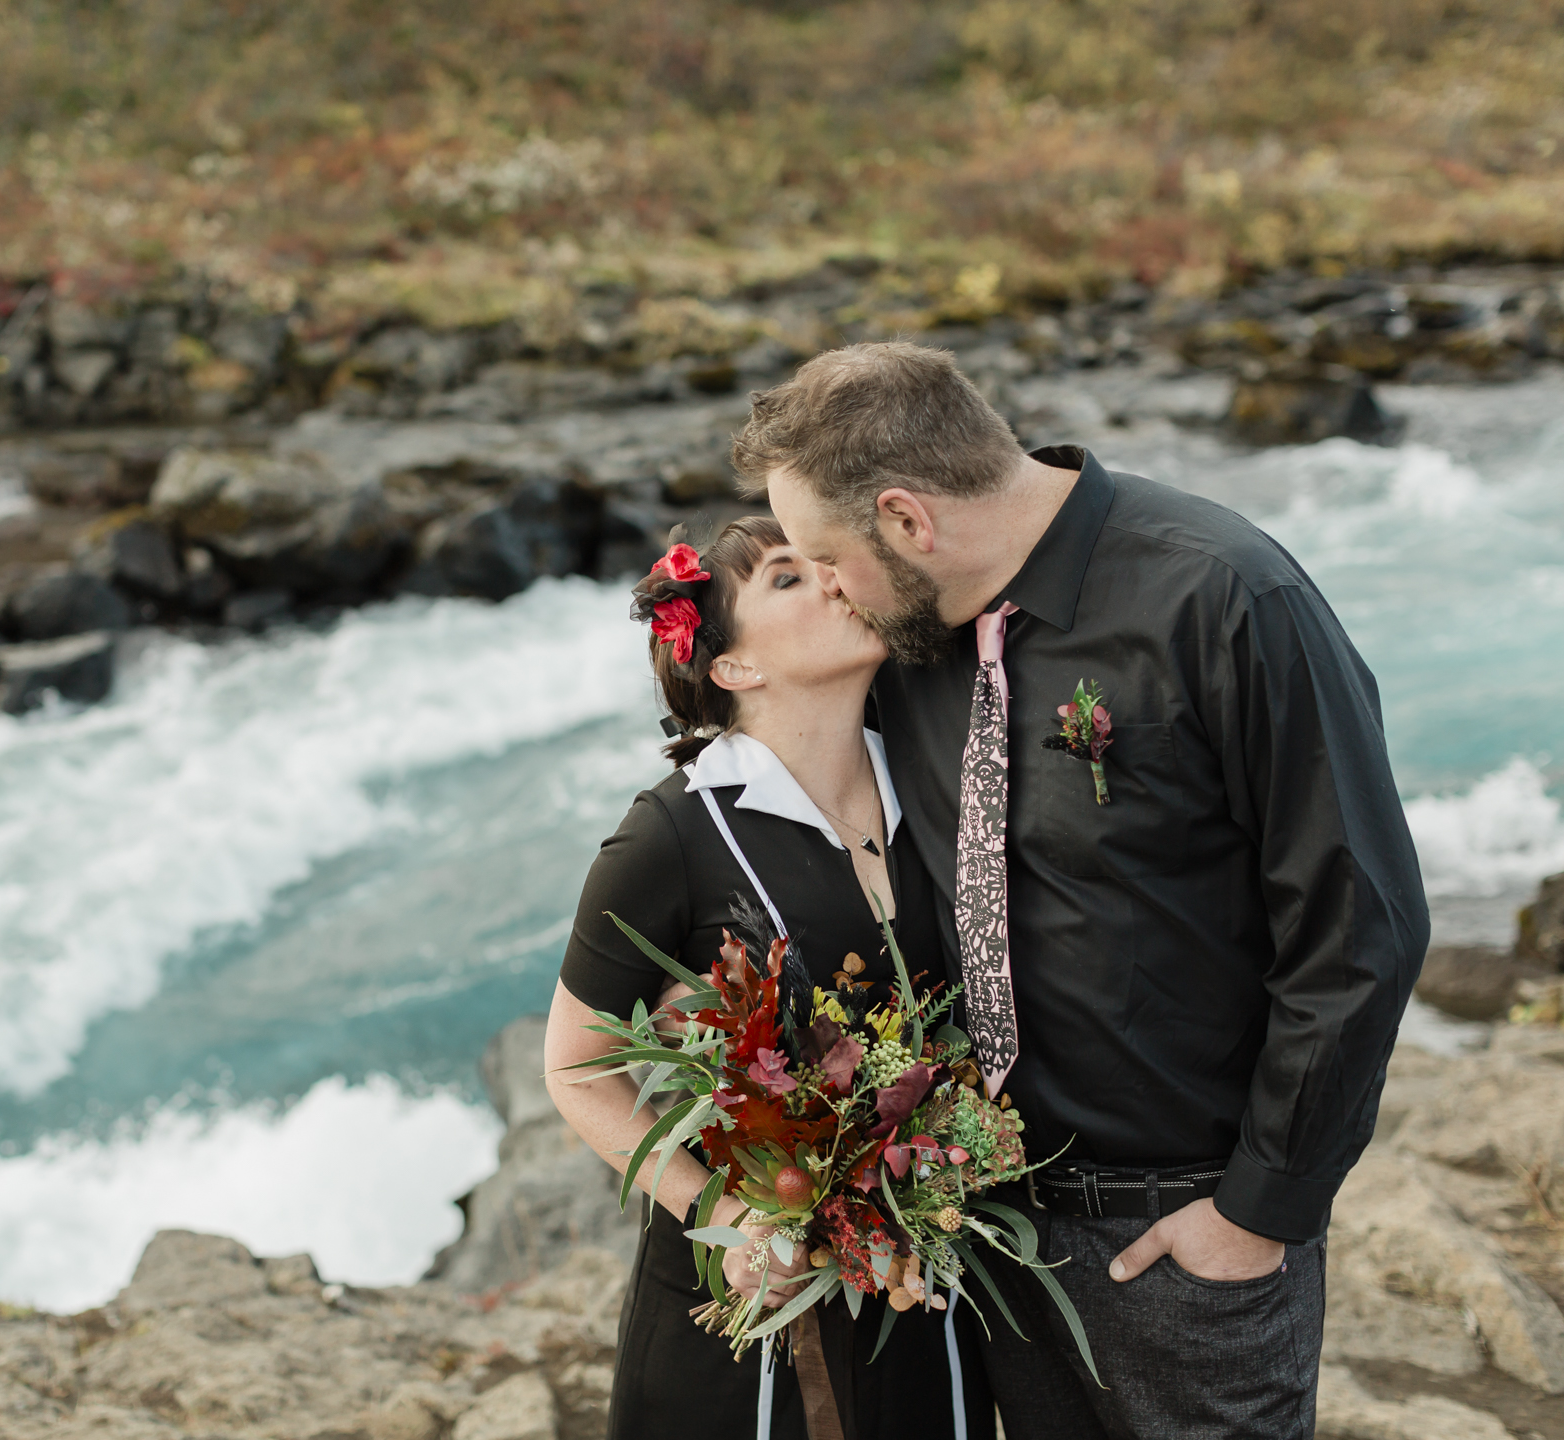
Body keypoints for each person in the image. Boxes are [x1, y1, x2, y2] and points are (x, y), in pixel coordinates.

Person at [733, 341, 1429, 1440]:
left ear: (909, 521)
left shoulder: (1229, 595)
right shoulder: (908, 638)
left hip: (1191, 1233)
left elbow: (1361, 924)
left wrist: (1259, 1210)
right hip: (991, 1230)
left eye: (828, 558)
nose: (827, 589)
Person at [543, 516, 996, 1440]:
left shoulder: (940, 776)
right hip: (747, 1307)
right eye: (791, 580)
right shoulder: (670, 836)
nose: (836, 581)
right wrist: (728, 1214)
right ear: (734, 669)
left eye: (826, 563)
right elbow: (577, 1066)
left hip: (920, 1285)